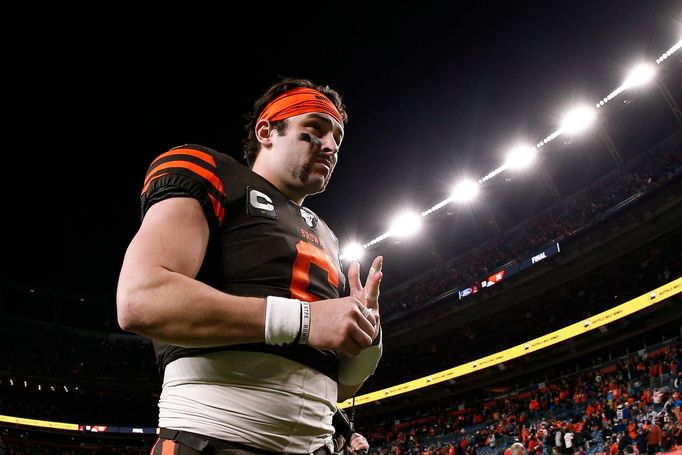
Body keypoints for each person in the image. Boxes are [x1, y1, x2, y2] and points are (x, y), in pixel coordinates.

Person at [116, 77, 384, 455]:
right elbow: (141, 300)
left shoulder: (326, 234)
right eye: (315, 130)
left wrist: (367, 340)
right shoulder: (211, 172)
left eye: (338, 139)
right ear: (266, 130)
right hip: (215, 438)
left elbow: (335, 385)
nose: (330, 147)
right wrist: (306, 321)